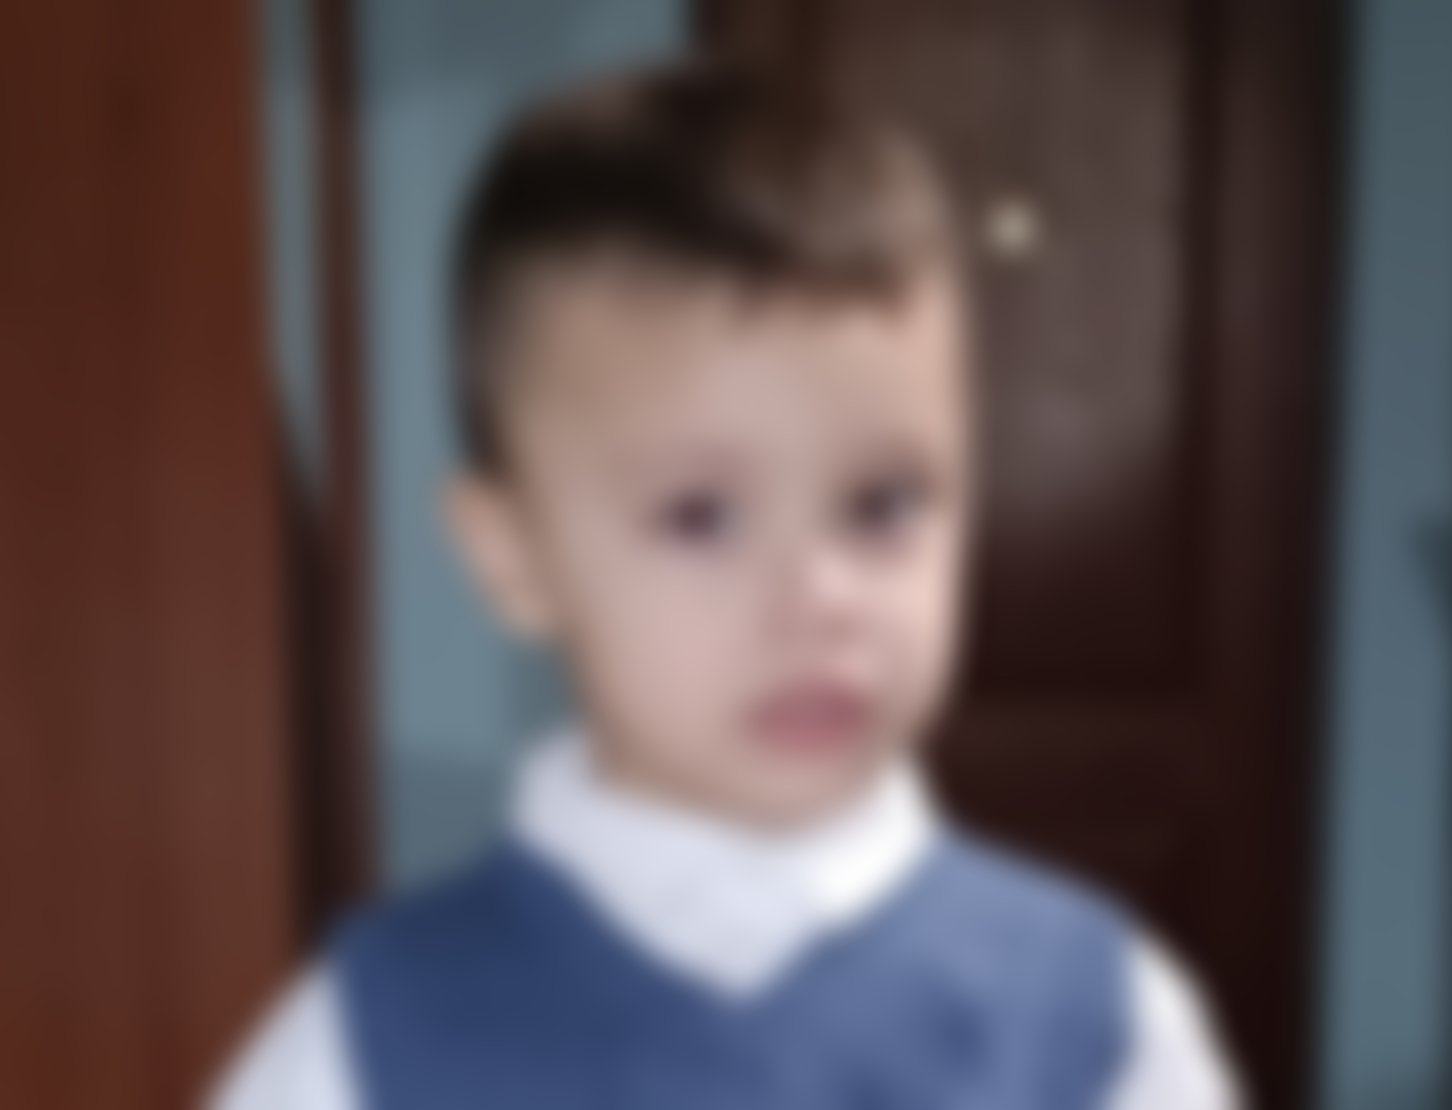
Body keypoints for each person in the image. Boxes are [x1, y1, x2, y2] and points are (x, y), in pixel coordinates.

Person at [211, 58, 1240, 1109]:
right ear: (513, 554)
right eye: (700, 516)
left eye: (882, 504)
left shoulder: (1099, 1021)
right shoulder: (364, 1045)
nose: (823, 597)